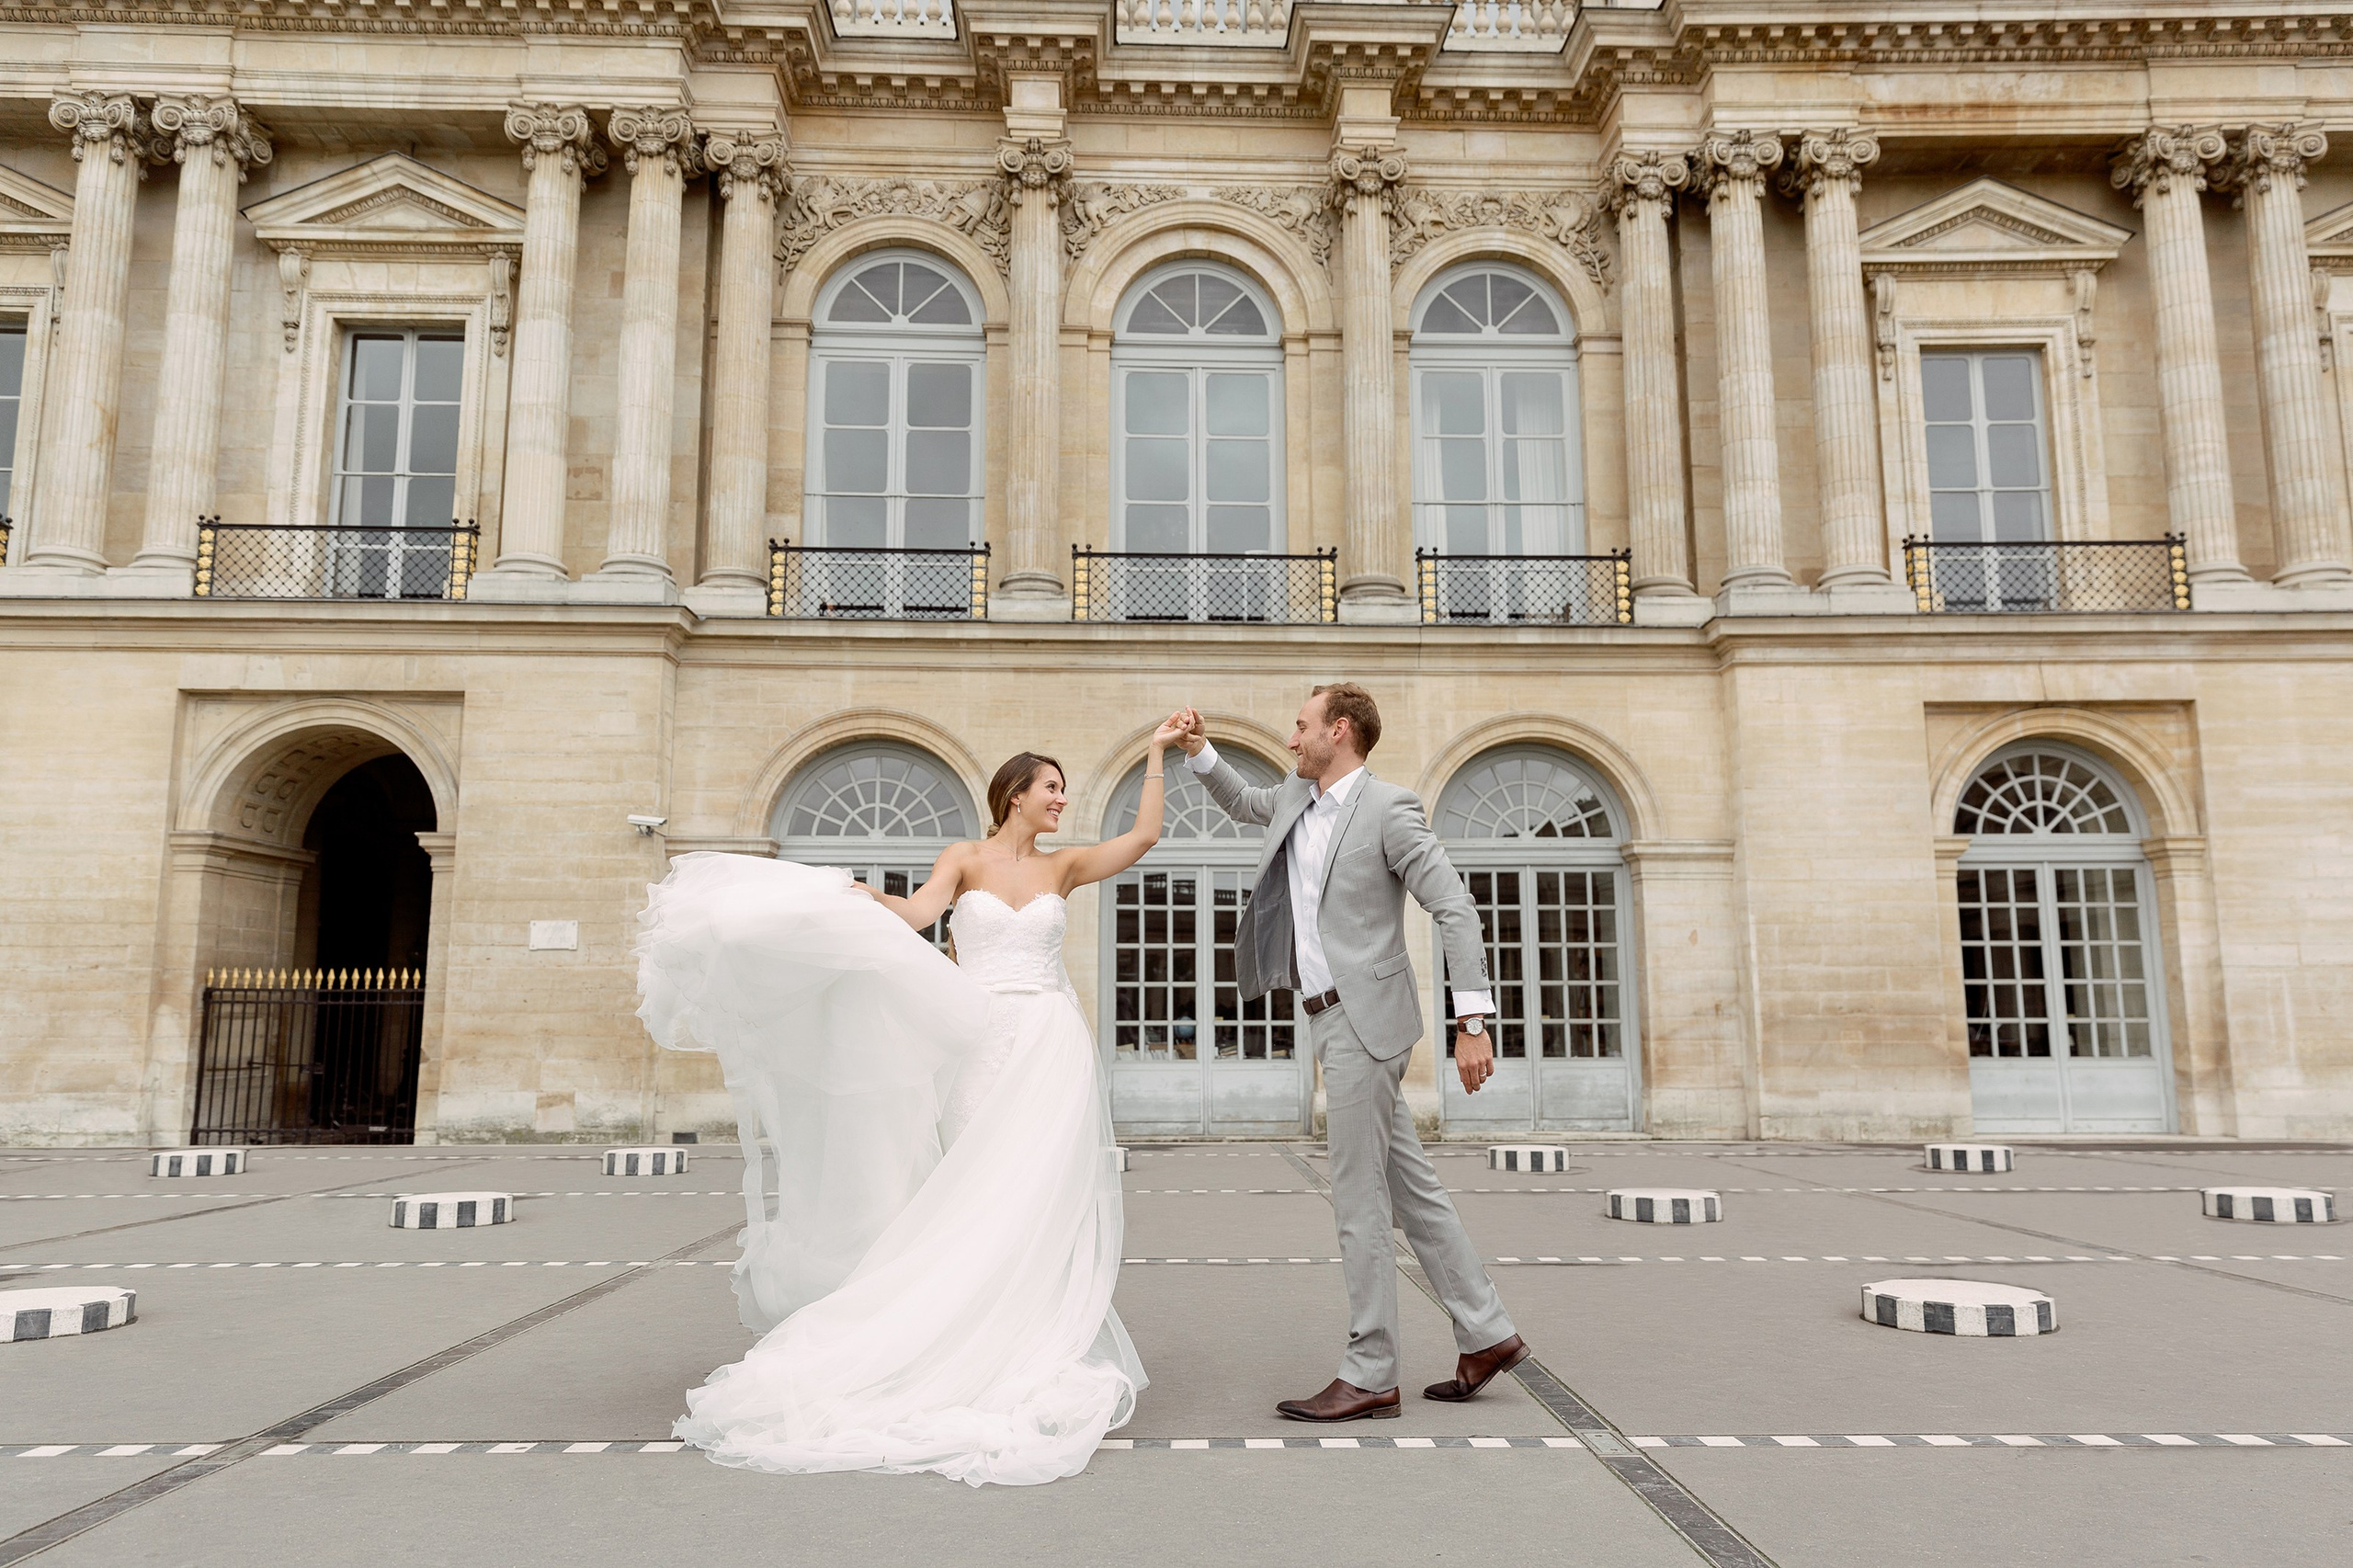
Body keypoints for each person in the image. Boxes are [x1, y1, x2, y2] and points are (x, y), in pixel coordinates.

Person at [632, 713, 1194, 1485]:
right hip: (980, 1039)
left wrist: (1159, 754)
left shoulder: (1062, 868)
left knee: (1038, 1198)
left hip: (1050, 1045)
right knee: (972, 1190)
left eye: (1063, 791)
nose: (1062, 801)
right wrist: (857, 898)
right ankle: (946, 1337)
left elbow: (1143, 840)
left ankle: (1025, 1344)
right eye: (1052, 789)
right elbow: (919, 917)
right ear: (1016, 795)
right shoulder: (963, 856)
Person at [1174, 687, 1529, 1422]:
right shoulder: (1296, 799)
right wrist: (1197, 751)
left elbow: (1454, 908)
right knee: (1411, 1190)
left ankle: (1371, 1371)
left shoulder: (1389, 808)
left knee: (1358, 1202)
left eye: (1302, 726)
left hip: (1362, 1022)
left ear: (1340, 731)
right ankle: (1487, 1331)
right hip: (1330, 1021)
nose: (1291, 736)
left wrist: (1474, 1021)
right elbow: (1243, 801)